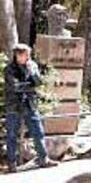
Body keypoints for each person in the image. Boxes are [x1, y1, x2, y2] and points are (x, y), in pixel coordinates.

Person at [4, 44, 58, 173]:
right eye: (24, 55)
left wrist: (32, 73)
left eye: (28, 55)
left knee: (38, 132)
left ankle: (43, 159)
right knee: (11, 135)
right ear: (17, 55)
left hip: (30, 104)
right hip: (14, 105)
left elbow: (38, 82)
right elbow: (15, 86)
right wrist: (30, 86)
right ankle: (12, 163)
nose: (27, 57)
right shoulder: (9, 69)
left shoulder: (32, 65)